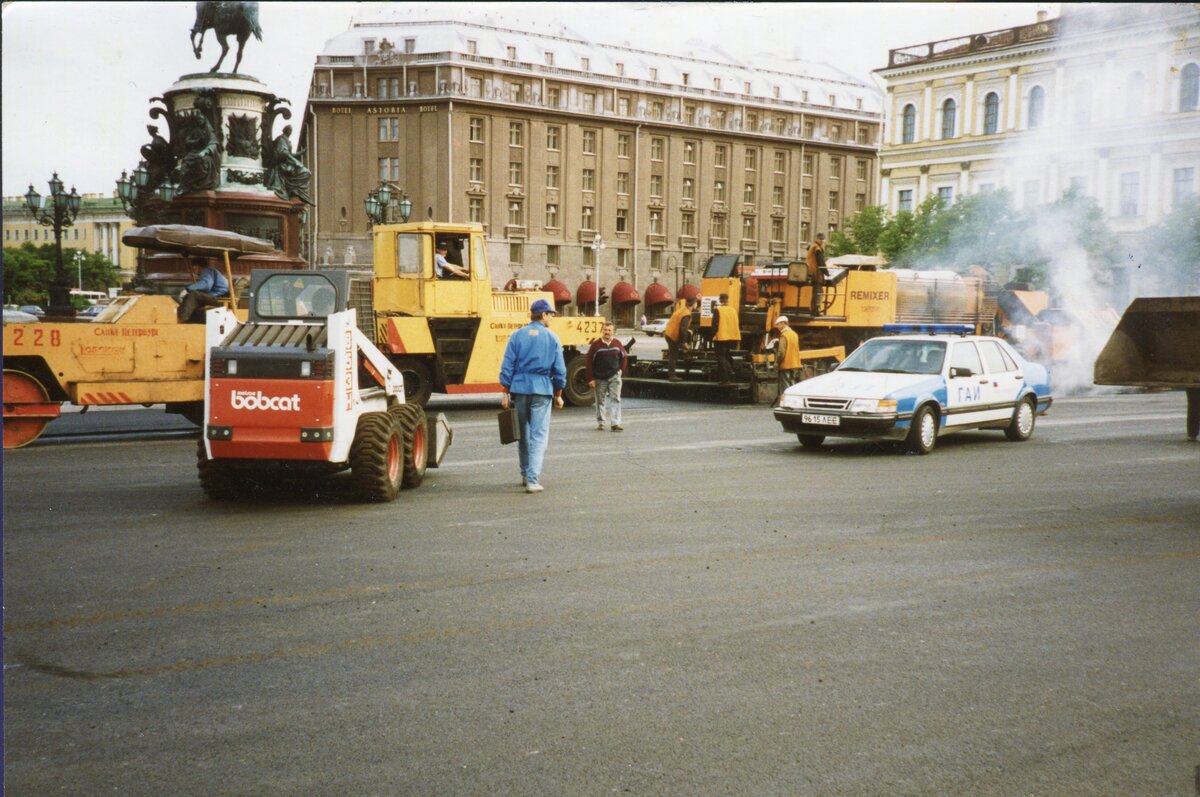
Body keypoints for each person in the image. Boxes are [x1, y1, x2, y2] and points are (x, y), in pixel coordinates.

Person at [500, 298, 567, 493]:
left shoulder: (517, 335)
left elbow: (507, 365)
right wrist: (559, 393)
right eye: (551, 314)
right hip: (542, 389)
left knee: (523, 435)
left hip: (520, 389)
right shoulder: (552, 338)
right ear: (543, 315)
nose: (552, 318)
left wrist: (505, 391)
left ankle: (524, 474)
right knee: (538, 436)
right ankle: (532, 480)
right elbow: (560, 370)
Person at [586, 322, 628, 431]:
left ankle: (615, 423)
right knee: (600, 400)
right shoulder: (595, 345)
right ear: (602, 331)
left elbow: (624, 357)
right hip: (600, 377)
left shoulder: (617, 343)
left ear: (613, 331)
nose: (607, 332)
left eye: (609, 330)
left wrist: (620, 371)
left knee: (616, 399)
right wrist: (591, 378)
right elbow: (589, 362)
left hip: (614, 376)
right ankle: (601, 422)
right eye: (605, 330)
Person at [664, 297, 698, 382]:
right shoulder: (686, 314)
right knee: (673, 355)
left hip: (670, 333)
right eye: (696, 303)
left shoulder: (683, 310)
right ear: (693, 304)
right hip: (672, 335)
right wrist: (684, 343)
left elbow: (683, 328)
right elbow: (682, 329)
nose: (697, 304)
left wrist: (687, 331)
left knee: (689, 333)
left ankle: (686, 356)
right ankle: (672, 376)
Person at [711, 293, 741, 385]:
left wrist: (712, 336)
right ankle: (727, 377)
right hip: (731, 337)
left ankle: (727, 375)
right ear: (727, 300)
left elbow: (714, 325)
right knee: (727, 356)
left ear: (720, 300)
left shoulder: (718, 310)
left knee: (721, 357)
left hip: (721, 337)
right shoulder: (733, 310)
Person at [774, 315, 802, 401]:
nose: (777, 326)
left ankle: (785, 401)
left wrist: (776, 362)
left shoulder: (784, 336)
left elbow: (781, 352)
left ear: (783, 323)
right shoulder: (794, 334)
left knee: (785, 385)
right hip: (794, 363)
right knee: (792, 383)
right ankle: (793, 400)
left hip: (785, 364)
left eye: (778, 324)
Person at [805, 232, 827, 316]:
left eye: (823, 240)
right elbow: (821, 262)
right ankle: (815, 311)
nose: (822, 241)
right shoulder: (817, 248)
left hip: (810, 272)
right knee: (818, 292)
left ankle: (814, 310)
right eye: (821, 239)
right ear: (817, 239)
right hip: (816, 273)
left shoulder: (812, 247)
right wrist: (826, 272)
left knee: (816, 292)